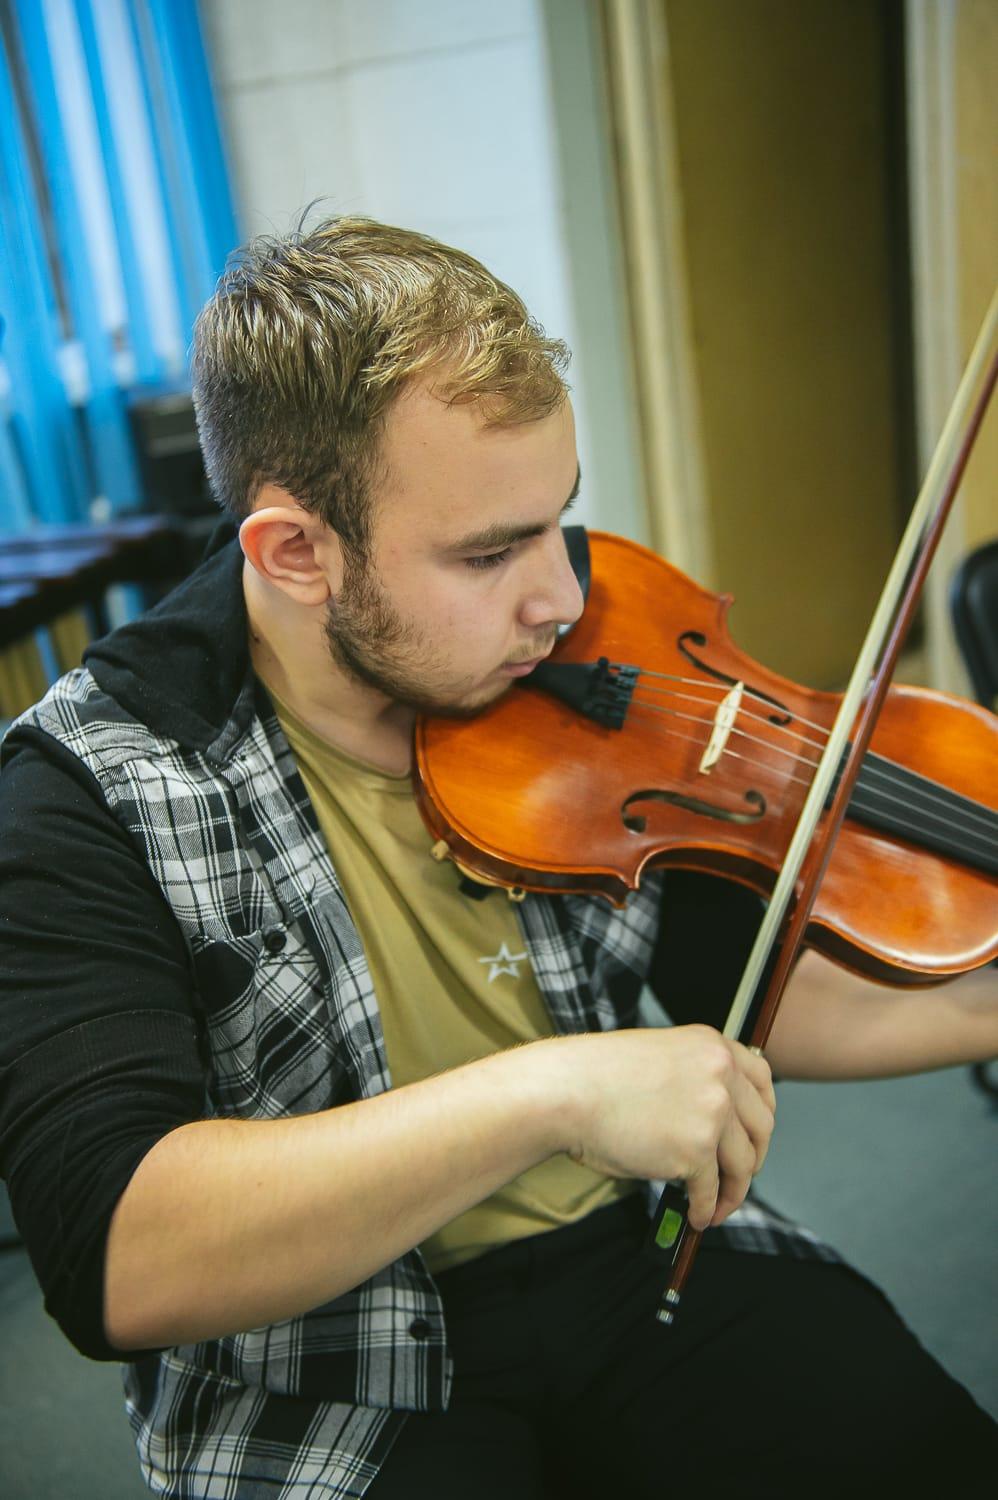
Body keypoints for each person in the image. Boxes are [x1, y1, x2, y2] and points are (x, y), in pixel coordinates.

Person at [0, 216, 995, 1500]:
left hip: (632, 1256)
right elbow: (122, 1257)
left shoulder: (588, 649)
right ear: (295, 552)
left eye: (555, 523)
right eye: (486, 554)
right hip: (316, 1362)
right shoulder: (83, 789)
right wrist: (552, 1094)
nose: (561, 599)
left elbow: (744, 984)